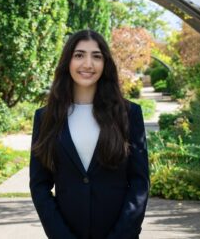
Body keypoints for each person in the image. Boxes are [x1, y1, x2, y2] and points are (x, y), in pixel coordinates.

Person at [29, 29, 149, 239]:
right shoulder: (45, 117)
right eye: (79, 55)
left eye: (96, 56)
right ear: (68, 61)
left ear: (105, 64)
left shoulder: (129, 114)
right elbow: (39, 185)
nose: (88, 64)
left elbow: (140, 182)